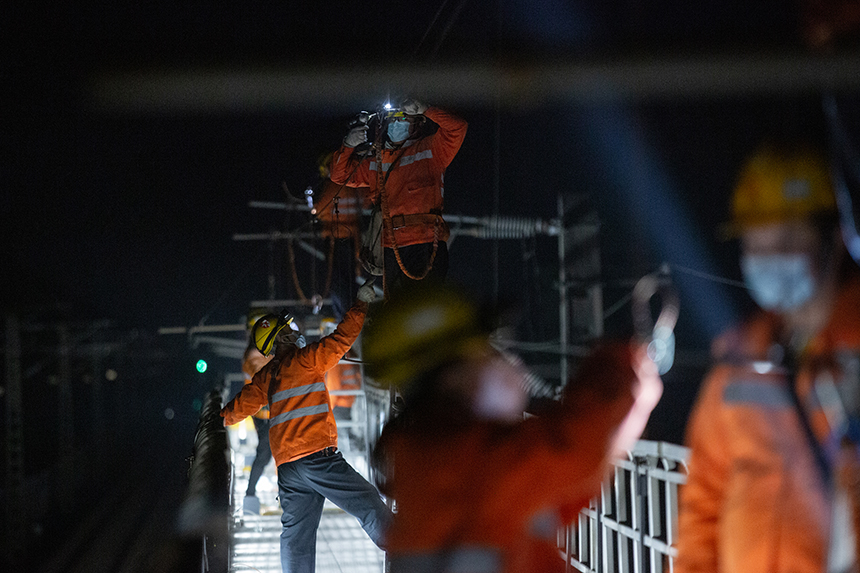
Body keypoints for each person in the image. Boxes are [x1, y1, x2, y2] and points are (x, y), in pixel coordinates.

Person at [362, 283, 663, 573]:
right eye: (485, 352)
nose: (501, 361)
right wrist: (626, 363)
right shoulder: (466, 463)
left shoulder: (428, 458)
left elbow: (552, 497)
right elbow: (572, 447)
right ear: (450, 377)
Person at [675, 142, 860, 573]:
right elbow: (704, 496)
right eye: (756, 243)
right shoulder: (739, 362)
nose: (770, 258)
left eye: (787, 240)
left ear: (834, 239)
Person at [220, 284, 392, 573]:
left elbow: (238, 408)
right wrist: (361, 304)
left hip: (288, 470)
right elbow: (343, 337)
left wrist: (217, 419)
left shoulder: (267, 375)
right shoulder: (307, 359)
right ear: (282, 336)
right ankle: (406, 551)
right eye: (289, 328)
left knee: (296, 537)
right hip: (318, 459)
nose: (295, 330)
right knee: (367, 503)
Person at [330, 99, 467, 296]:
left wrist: (427, 110)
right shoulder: (377, 161)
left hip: (426, 242)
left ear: (417, 123)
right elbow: (339, 175)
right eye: (392, 119)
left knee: (424, 304)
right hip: (391, 245)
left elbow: (457, 127)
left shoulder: (432, 149)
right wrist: (348, 145)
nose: (395, 123)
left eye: (402, 118)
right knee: (397, 305)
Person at [313, 152, 369, 320]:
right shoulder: (356, 185)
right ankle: (353, 315)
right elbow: (367, 202)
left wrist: (313, 208)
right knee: (351, 280)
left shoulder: (332, 186)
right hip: (354, 240)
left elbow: (320, 211)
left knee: (337, 282)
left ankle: (344, 318)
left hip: (335, 241)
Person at [240, 340, 274, 510]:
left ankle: (250, 493)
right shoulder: (255, 359)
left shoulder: (254, 358)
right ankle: (250, 494)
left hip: (267, 415)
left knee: (267, 455)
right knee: (265, 454)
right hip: (266, 415)